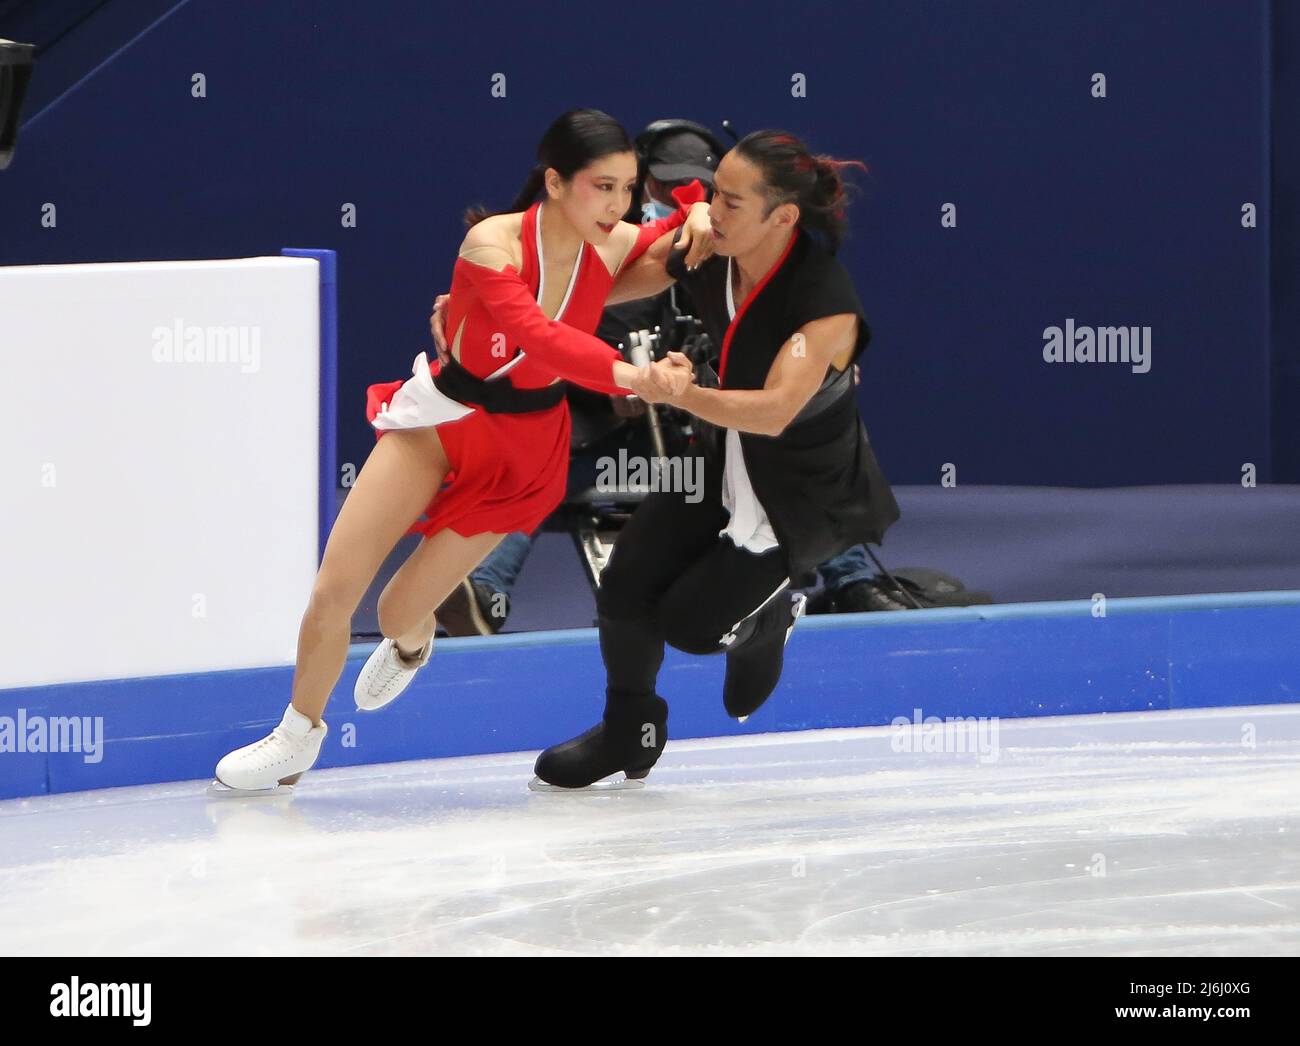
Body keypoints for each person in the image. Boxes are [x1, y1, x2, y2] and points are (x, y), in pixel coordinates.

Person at [210, 109, 713, 794]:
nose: (619, 205)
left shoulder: (614, 239)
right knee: (334, 588)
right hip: (441, 419)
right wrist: (634, 376)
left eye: (627, 188)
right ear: (555, 182)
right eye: (603, 186)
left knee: (394, 614)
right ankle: (298, 736)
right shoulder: (490, 244)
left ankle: (413, 644)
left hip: (523, 450)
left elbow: (674, 241)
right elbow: (536, 335)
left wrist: (697, 213)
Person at [532, 129, 901, 790]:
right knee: (624, 585)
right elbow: (593, 292)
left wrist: (683, 389)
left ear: (782, 217)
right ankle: (629, 734)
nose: (708, 208)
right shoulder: (710, 251)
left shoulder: (823, 299)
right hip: (714, 460)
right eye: (711, 194)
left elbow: (775, 410)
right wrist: (496, 308)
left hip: (795, 492)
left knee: (690, 626)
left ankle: (768, 619)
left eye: (730, 201)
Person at [434, 120, 725, 635]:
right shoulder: (593, 246)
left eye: (631, 189)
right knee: (541, 473)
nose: (639, 199)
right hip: (603, 431)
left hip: (704, 429)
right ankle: (481, 589)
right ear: (556, 184)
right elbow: (548, 340)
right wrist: (624, 383)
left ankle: (845, 580)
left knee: (788, 439)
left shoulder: (706, 248)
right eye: (653, 184)